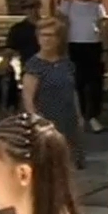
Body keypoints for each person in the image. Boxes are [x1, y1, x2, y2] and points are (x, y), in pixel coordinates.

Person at [22, 18, 85, 168]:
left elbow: (72, 90)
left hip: (68, 120)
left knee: (69, 163)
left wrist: (79, 115)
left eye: (51, 35)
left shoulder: (66, 63)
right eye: (43, 35)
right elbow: (28, 97)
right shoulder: (34, 65)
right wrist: (36, 122)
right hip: (46, 121)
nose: (47, 39)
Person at [57, 0, 108, 133]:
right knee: (77, 82)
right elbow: (61, 27)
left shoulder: (96, 6)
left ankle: (93, 116)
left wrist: (106, 48)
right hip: (74, 46)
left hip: (93, 46)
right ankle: (78, 115)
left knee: (95, 82)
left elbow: (103, 28)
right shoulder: (67, 6)